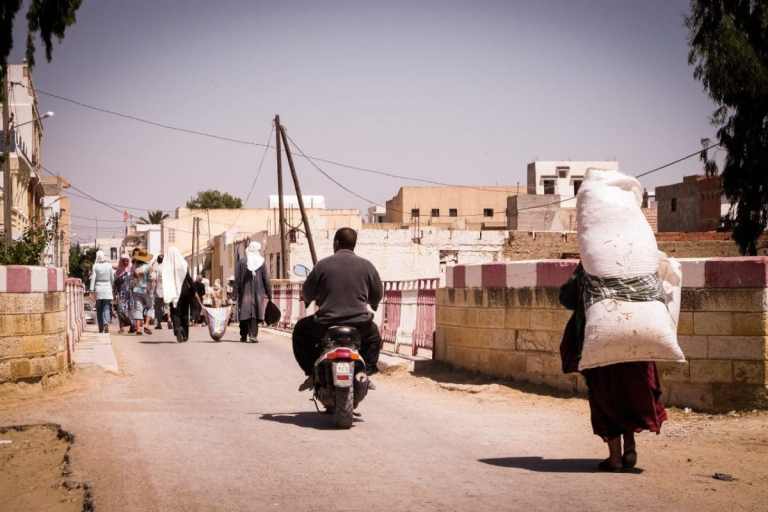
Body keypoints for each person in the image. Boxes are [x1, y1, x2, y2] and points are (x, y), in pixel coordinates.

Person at [559, 263, 667, 472]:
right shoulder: (642, 265)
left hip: (601, 341)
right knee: (631, 393)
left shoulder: (591, 264)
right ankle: (630, 446)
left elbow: (567, 297)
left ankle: (615, 457)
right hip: (637, 341)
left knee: (605, 395)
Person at [292, 227, 383, 391]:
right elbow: (377, 295)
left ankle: (312, 373)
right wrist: (372, 302)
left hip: (326, 323)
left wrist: (307, 299)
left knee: (300, 331)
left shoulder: (322, 265)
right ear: (354, 244)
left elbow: (307, 292)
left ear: (336, 243)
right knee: (374, 337)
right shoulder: (367, 266)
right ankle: (366, 372)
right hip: (360, 324)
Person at [234, 241, 272, 343]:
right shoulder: (261, 262)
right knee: (254, 313)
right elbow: (266, 279)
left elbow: (237, 280)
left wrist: (234, 295)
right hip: (258, 294)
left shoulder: (242, 262)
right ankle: (253, 335)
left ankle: (243, 335)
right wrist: (269, 294)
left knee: (244, 313)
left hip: (244, 294)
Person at [163, 247, 194, 343]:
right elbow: (189, 278)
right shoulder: (183, 264)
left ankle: (177, 329)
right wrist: (193, 290)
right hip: (185, 292)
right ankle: (185, 334)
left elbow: (164, 281)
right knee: (185, 313)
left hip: (173, 292)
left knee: (175, 313)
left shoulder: (166, 266)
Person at [89, 250, 115, 333]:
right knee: (106, 308)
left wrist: (91, 290)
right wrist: (112, 287)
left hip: (98, 289)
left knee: (99, 309)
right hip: (107, 289)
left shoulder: (95, 266)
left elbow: (93, 279)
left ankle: (101, 327)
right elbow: (112, 278)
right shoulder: (109, 265)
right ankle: (106, 323)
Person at [130, 249, 155, 336]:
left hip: (136, 290)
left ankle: (138, 329)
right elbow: (152, 278)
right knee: (150, 307)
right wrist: (151, 289)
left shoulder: (134, 267)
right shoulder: (149, 267)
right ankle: (146, 325)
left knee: (138, 308)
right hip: (146, 290)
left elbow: (131, 279)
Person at [113, 255, 134, 334]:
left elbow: (134, 282)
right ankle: (121, 327)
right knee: (120, 311)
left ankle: (132, 326)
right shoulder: (118, 272)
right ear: (121, 261)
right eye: (124, 261)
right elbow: (114, 284)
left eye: (127, 261)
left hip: (130, 294)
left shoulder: (131, 271)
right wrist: (114, 294)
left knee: (129, 311)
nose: (125, 262)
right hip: (121, 294)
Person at [153, 255, 170, 329]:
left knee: (158, 307)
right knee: (167, 306)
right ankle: (169, 319)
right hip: (166, 290)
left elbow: (154, 279)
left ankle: (159, 323)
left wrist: (153, 290)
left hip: (158, 290)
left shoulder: (157, 268)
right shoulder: (167, 268)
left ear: (158, 260)